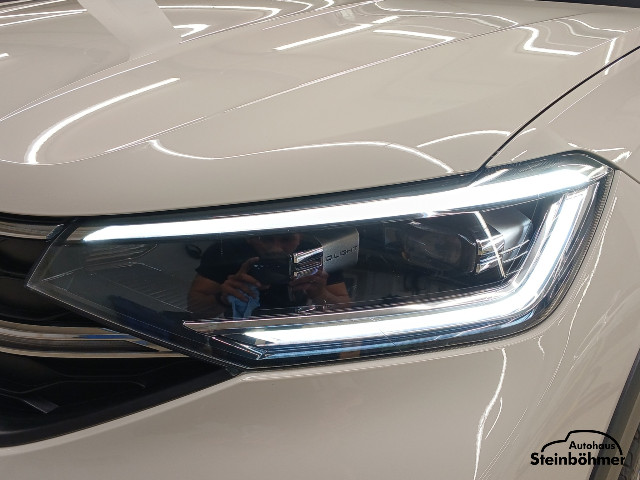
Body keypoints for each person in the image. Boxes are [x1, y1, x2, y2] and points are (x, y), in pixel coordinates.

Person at [188, 233, 350, 318]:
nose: (276, 248)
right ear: (250, 238)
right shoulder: (226, 251)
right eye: (265, 239)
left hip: (294, 328)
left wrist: (320, 294)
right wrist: (223, 298)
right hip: (237, 331)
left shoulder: (314, 254)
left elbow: (344, 308)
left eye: (287, 239)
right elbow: (195, 309)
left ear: (299, 237)